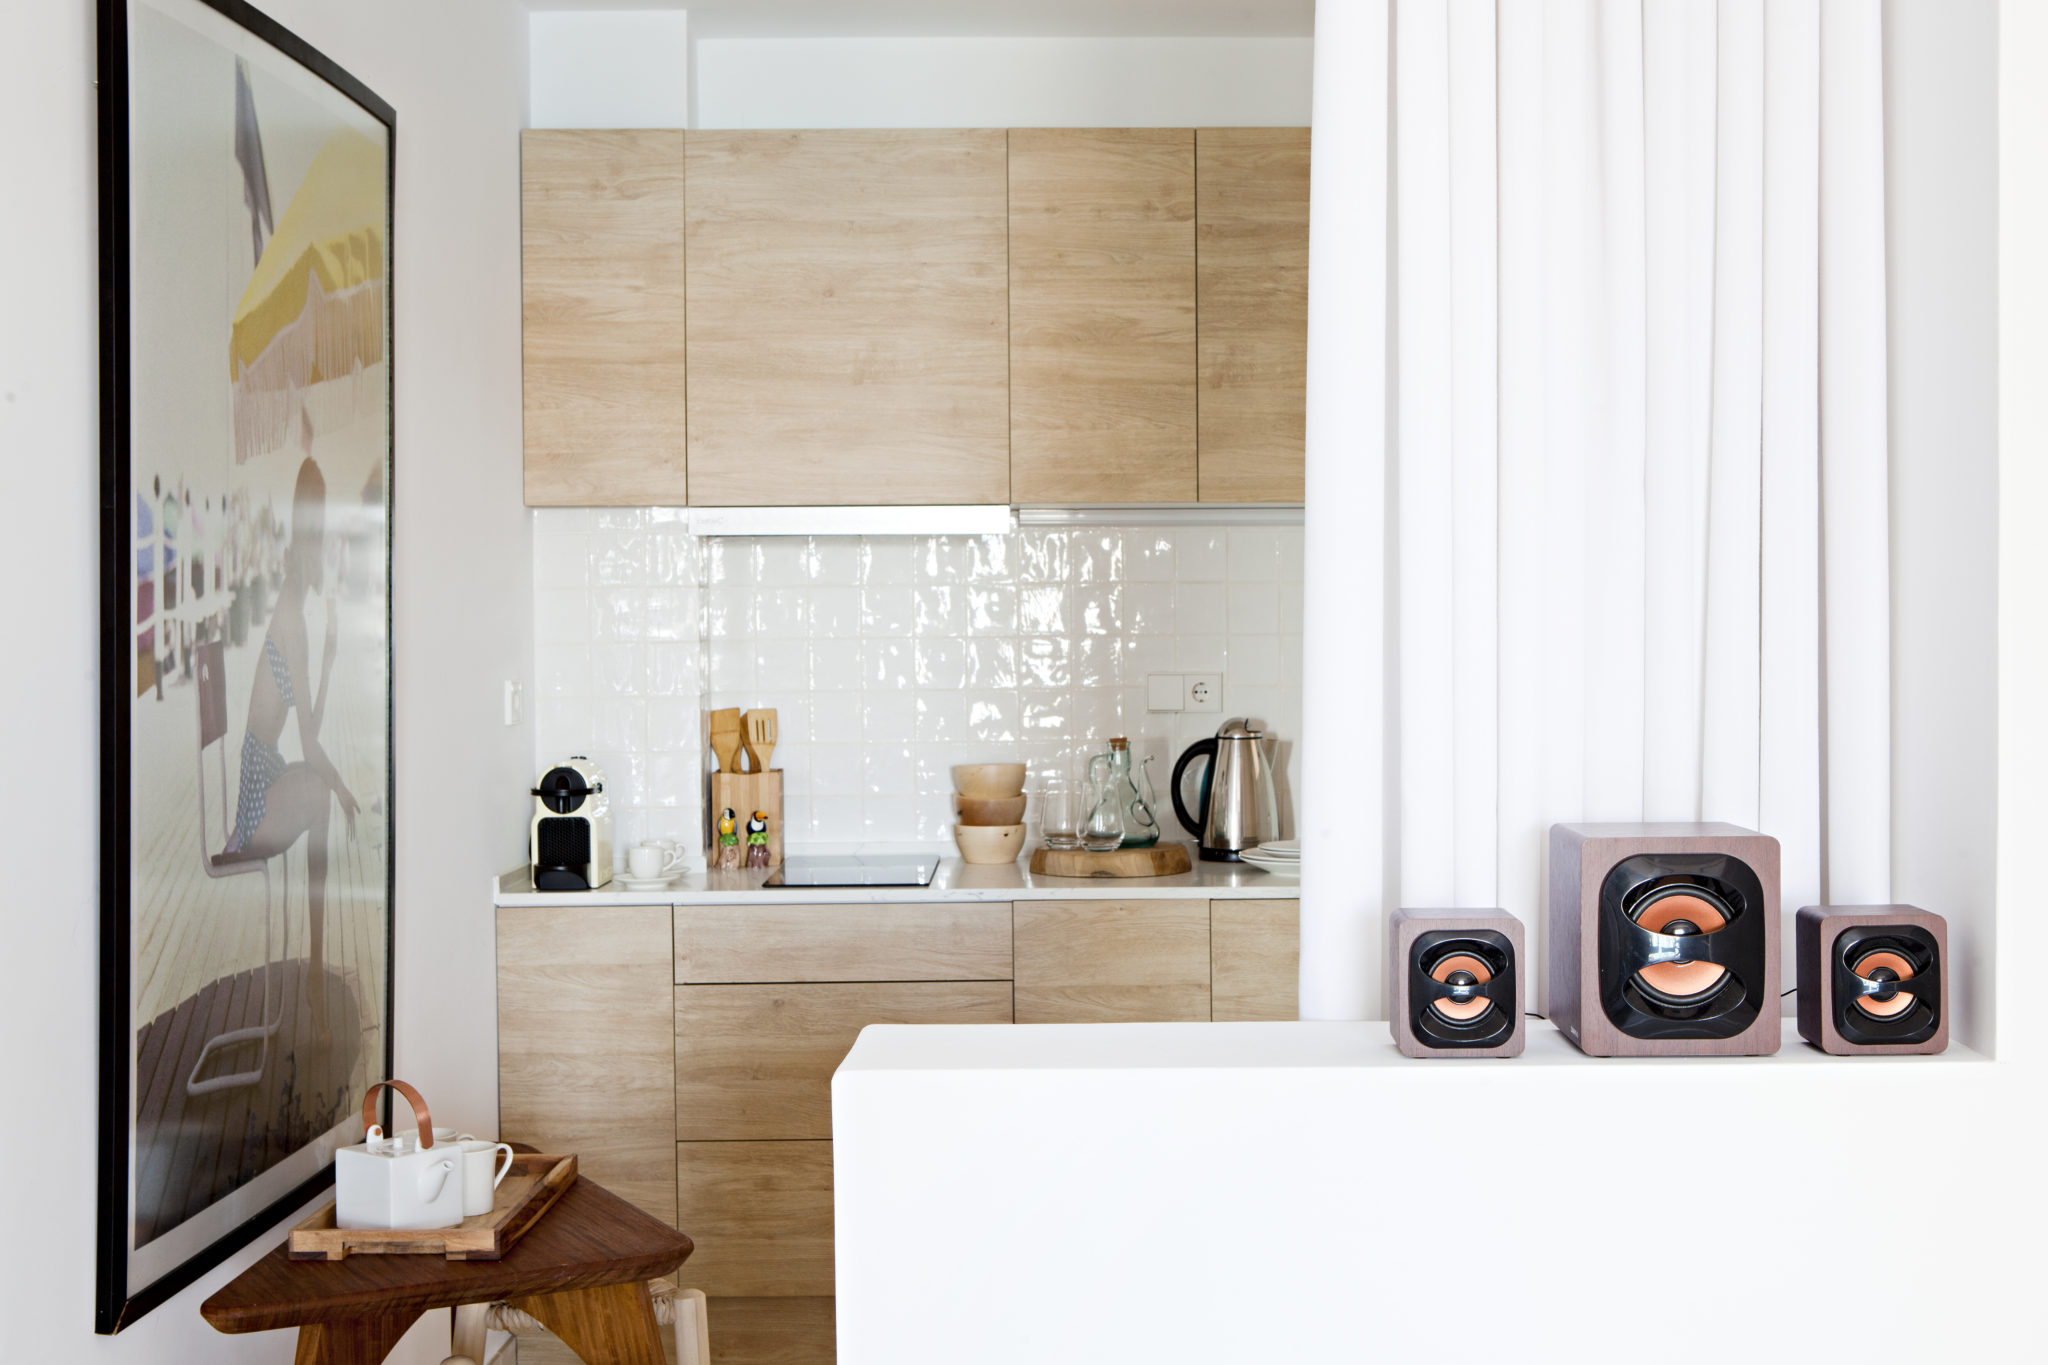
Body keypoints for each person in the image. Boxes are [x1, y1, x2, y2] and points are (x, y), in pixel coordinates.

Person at [218, 416, 358, 1045]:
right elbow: (310, 743)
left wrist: (326, 667)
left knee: (321, 793)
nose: (324, 551)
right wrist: (343, 787)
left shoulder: (295, 612)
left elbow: (309, 729)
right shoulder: (290, 618)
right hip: (255, 796)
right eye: (319, 537)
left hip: (267, 770)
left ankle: (314, 972)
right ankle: (314, 974)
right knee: (323, 795)